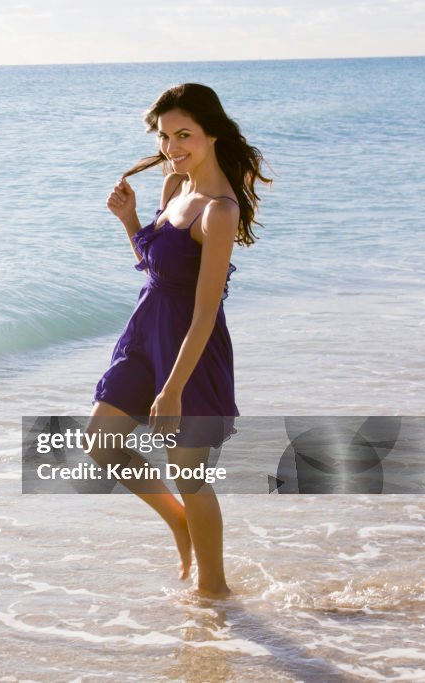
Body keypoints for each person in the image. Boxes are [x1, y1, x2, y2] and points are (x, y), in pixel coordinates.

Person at [86, 83, 270, 597]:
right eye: (166, 137)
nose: (172, 148)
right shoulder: (174, 187)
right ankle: (179, 524)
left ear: (212, 133)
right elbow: (157, 270)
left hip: (191, 350)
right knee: (101, 443)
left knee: (189, 475)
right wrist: (129, 220)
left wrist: (171, 390)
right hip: (145, 335)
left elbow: (207, 311)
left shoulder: (220, 211)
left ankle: (215, 591)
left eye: (184, 135)